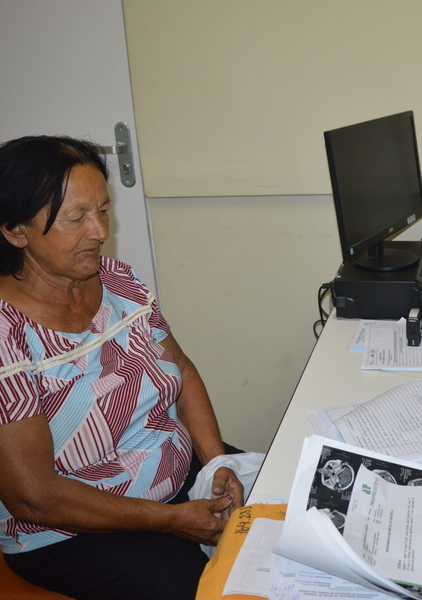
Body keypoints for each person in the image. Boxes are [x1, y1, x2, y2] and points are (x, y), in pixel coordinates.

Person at [0, 135, 245, 600]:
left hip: (172, 471)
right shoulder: (6, 335)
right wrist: (173, 520)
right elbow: (35, 496)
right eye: (76, 218)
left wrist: (216, 460)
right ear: (16, 231)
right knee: (211, 591)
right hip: (74, 529)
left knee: (294, 510)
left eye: (104, 211)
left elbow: (183, 370)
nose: (98, 231)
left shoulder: (116, 280)